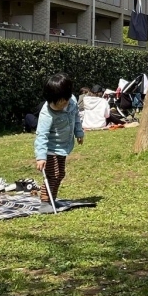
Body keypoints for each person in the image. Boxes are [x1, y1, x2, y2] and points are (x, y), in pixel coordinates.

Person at [34, 73, 84, 211]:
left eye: (63, 102)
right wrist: (41, 157)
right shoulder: (47, 114)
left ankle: (52, 200)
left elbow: (76, 118)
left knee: (60, 174)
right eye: (56, 103)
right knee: (53, 174)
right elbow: (41, 136)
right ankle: (45, 202)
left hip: (63, 146)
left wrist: (78, 132)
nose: (60, 106)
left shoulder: (72, 101)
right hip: (50, 148)